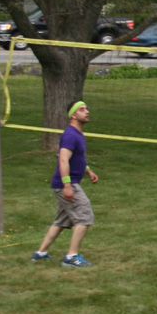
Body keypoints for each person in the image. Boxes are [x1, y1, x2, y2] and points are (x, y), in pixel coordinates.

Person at [33, 100, 100, 267]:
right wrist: (67, 186)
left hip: (68, 182)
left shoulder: (78, 134)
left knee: (61, 221)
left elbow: (77, 158)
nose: (87, 111)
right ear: (73, 115)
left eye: (87, 108)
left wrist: (88, 170)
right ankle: (71, 256)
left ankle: (40, 253)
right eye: (82, 109)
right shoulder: (70, 135)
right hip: (67, 184)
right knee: (85, 216)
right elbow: (63, 159)